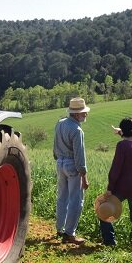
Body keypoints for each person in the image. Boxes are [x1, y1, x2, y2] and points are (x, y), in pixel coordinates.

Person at [100, 117, 132, 247]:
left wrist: (110, 188)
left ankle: (110, 242)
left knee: (104, 210)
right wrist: (121, 132)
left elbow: (116, 169)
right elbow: (131, 141)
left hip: (122, 188)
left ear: (124, 131)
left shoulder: (121, 146)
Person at [54, 97, 90, 245]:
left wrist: (58, 158)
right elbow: (79, 156)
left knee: (62, 197)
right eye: (83, 113)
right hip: (72, 166)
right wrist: (84, 176)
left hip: (60, 162)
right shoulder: (77, 130)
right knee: (76, 199)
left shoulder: (60, 123)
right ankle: (70, 233)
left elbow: (55, 145)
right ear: (76, 114)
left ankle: (59, 228)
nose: (85, 115)